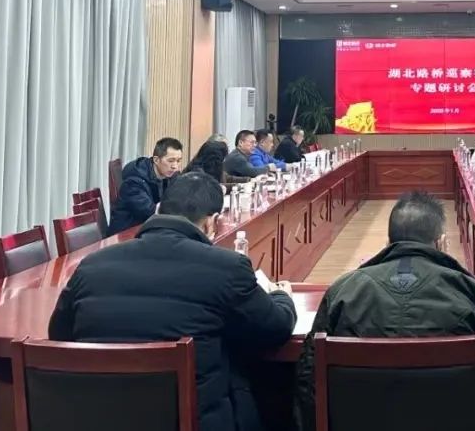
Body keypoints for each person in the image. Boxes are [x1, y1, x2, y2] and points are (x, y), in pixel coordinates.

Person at [49, 172, 297, 431]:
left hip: (97, 419)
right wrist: (281, 296)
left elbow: (59, 336)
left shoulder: (91, 265)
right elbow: (276, 328)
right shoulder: (227, 267)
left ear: (159, 209)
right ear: (212, 222)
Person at [294, 191, 475, 431]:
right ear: (442, 243)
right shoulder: (470, 293)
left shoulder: (342, 292)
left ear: (388, 243)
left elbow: (309, 384)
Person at [108, 137, 183, 235]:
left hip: (149, 230)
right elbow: (150, 212)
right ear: (156, 160)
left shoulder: (169, 176)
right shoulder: (134, 181)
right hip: (126, 235)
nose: (175, 166)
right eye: (170, 161)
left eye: (178, 161)